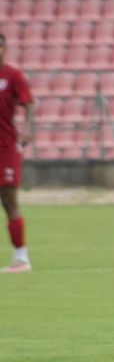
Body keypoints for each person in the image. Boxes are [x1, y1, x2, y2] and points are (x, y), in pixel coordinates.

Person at [0, 33, 34, 274]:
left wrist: (29, 128)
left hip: (6, 148)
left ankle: (22, 259)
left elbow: (28, 103)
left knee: (9, 202)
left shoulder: (13, 76)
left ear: (5, 48)